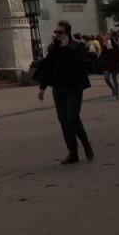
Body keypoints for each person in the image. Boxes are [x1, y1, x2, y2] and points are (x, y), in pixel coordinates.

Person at [33, 20, 93, 164]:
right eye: (56, 32)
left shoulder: (77, 45)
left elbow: (79, 65)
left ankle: (85, 143)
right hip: (59, 87)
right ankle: (73, 152)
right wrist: (42, 87)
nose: (57, 35)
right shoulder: (55, 48)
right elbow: (49, 67)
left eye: (60, 32)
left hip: (74, 86)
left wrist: (67, 49)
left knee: (72, 118)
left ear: (67, 32)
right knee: (64, 121)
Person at [100, 32, 119, 100]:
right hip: (107, 63)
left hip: (114, 63)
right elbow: (103, 54)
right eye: (106, 38)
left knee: (114, 79)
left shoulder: (115, 45)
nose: (107, 39)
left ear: (111, 38)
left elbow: (118, 55)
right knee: (106, 78)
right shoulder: (106, 45)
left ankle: (116, 94)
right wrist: (104, 47)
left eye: (108, 38)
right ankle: (113, 90)